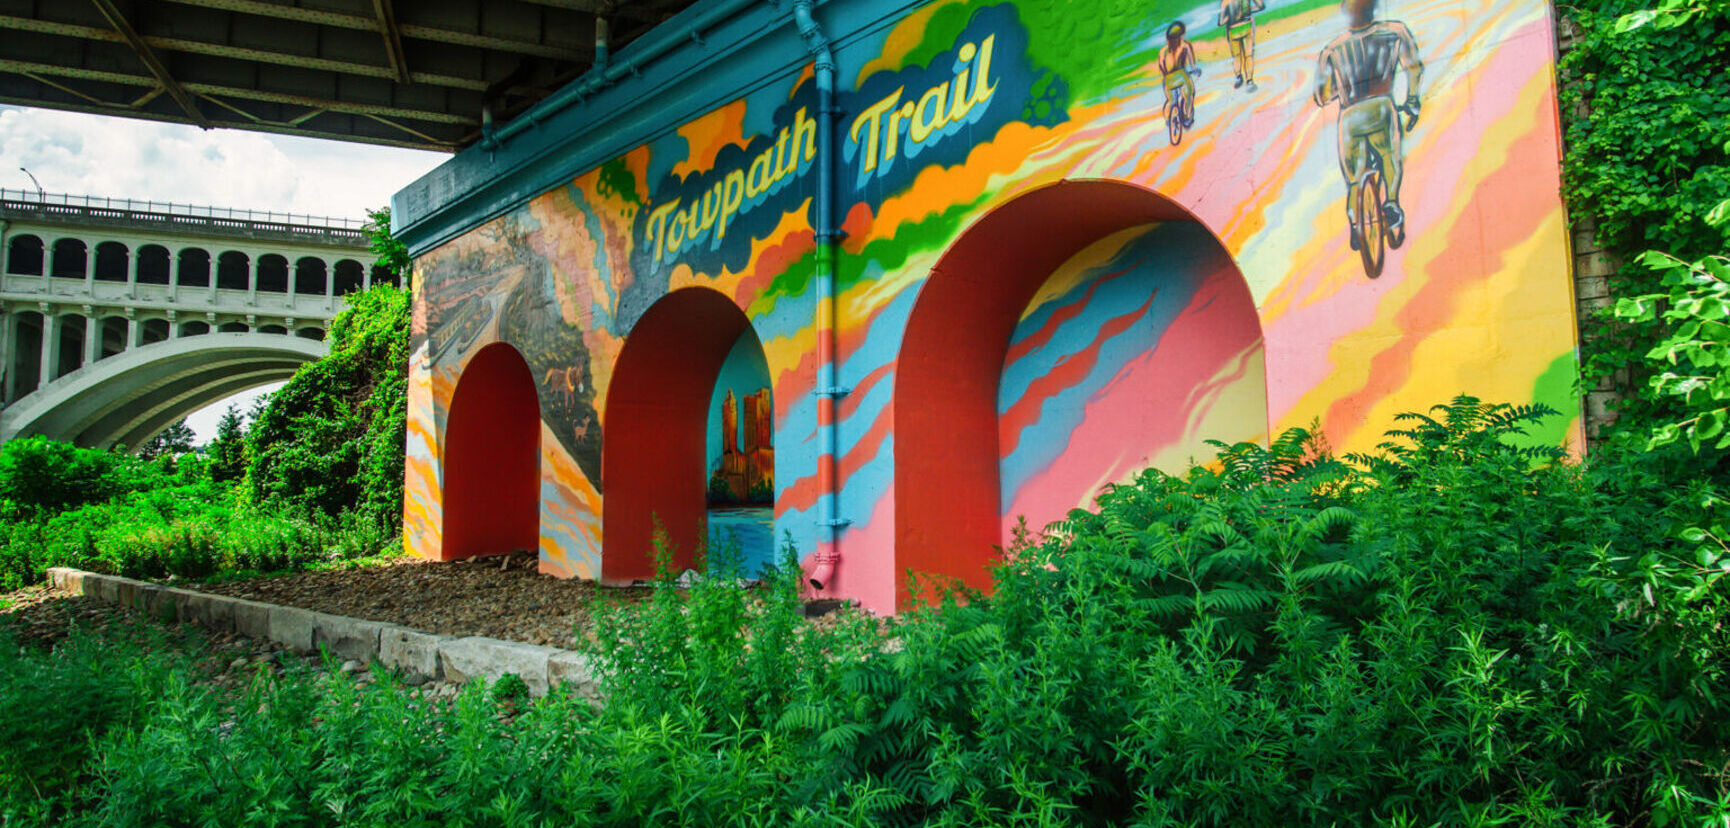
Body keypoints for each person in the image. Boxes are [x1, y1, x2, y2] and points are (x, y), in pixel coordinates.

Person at [1313, 0, 1423, 247]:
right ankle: (1392, 203)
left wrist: (1340, 89)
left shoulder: (1332, 49)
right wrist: (1413, 100)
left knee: (1353, 178)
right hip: (1381, 107)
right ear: (1374, 8)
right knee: (1389, 157)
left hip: (1351, 115)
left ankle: (1356, 221)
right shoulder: (1394, 32)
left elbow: (1321, 96)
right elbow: (1414, 68)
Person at [1159, 21, 1201, 128]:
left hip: (1169, 78)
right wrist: (1194, 70)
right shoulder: (1185, 45)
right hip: (1181, 75)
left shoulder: (1163, 51)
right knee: (1189, 94)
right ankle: (1186, 117)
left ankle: (1168, 119)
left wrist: (1166, 76)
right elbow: (1192, 62)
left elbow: (1161, 66)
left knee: (1170, 100)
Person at [1219, 0, 1266, 89]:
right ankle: (1249, 80)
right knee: (1249, 55)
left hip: (1233, 30)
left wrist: (1231, 17)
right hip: (1247, 26)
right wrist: (1248, 10)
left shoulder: (1225, 2)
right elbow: (1261, 6)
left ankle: (1238, 77)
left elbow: (1221, 22)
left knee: (1236, 56)